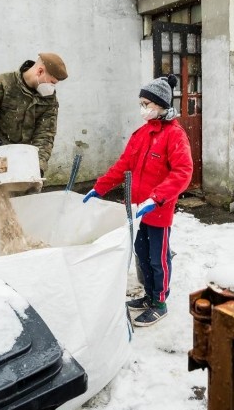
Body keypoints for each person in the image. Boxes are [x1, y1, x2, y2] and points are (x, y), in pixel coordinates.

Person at [82, 75, 192, 327]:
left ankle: (160, 302)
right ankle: (148, 296)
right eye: (141, 103)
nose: (143, 109)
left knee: (158, 258)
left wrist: (157, 197)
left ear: (161, 105)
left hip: (158, 210)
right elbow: (123, 166)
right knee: (142, 255)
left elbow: (182, 172)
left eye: (147, 104)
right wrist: (100, 188)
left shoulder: (174, 135)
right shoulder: (141, 134)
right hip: (135, 210)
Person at [0, 53, 68, 200]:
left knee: (25, 215)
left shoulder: (48, 98)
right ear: (40, 71)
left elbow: (45, 135)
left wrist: (38, 166)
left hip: (24, 168)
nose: (52, 87)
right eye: (52, 82)